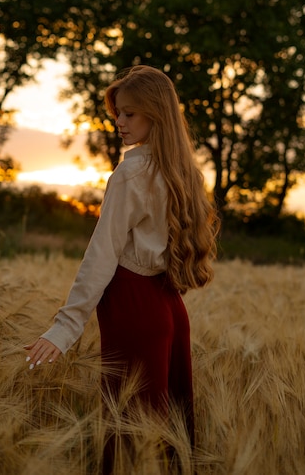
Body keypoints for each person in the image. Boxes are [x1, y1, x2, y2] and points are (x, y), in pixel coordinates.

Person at [24, 64, 218, 450]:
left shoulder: (130, 175)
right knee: (165, 438)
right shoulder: (181, 173)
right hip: (170, 308)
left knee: (129, 435)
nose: (119, 121)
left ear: (156, 114)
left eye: (129, 113)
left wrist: (64, 328)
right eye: (117, 113)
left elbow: (101, 255)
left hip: (133, 306)